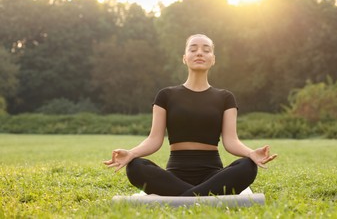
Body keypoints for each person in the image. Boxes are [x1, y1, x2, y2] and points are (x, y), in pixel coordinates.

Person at [104, 34, 277, 196]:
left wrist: (251, 153)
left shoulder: (225, 97)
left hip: (213, 175)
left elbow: (231, 141)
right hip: (175, 175)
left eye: (206, 50)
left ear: (213, 59)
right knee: (135, 166)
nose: (199, 53)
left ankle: (184, 196)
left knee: (248, 166)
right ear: (184, 58)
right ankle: (203, 196)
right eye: (193, 49)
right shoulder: (166, 95)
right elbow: (154, 139)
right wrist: (131, 153)